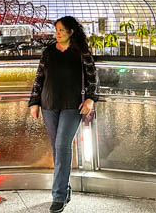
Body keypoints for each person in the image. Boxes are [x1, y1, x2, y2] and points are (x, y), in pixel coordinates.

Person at [28, 16, 98, 212]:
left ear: (71, 32)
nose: (57, 33)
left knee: (62, 145)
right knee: (57, 147)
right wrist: (34, 103)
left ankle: (58, 196)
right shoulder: (48, 52)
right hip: (48, 104)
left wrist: (90, 99)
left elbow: (92, 77)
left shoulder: (81, 52)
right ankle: (65, 189)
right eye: (56, 30)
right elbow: (39, 78)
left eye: (61, 30)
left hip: (72, 105)